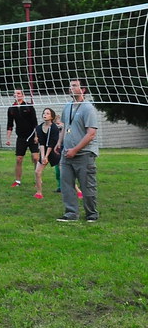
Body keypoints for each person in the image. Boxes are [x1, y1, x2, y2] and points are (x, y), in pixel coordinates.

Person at [57, 79, 99, 223]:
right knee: (66, 185)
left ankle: (91, 215)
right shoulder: (67, 106)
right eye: (70, 86)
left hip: (84, 154)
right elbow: (64, 126)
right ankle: (71, 214)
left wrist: (75, 150)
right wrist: (59, 142)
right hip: (66, 154)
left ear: (83, 89)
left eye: (74, 86)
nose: (71, 88)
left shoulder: (88, 108)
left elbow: (91, 133)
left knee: (87, 187)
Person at [5, 89, 39, 187]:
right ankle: (17, 181)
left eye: (18, 93)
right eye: (15, 93)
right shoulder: (11, 109)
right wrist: (8, 138)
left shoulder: (28, 106)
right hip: (21, 137)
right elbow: (10, 125)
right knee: (19, 159)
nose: (17, 95)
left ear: (23, 95)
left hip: (32, 136)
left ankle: (38, 180)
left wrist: (36, 136)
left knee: (36, 158)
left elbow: (35, 123)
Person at [33, 108, 61, 199]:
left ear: (52, 116)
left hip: (53, 151)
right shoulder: (39, 127)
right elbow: (41, 143)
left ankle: (78, 191)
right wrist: (43, 157)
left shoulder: (54, 128)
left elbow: (51, 144)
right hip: (43, 151)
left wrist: (47, 156)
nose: (45, 115)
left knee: (64, 173)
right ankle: (39, 193)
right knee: (37, 172)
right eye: (44, 113)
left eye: (47, 113)